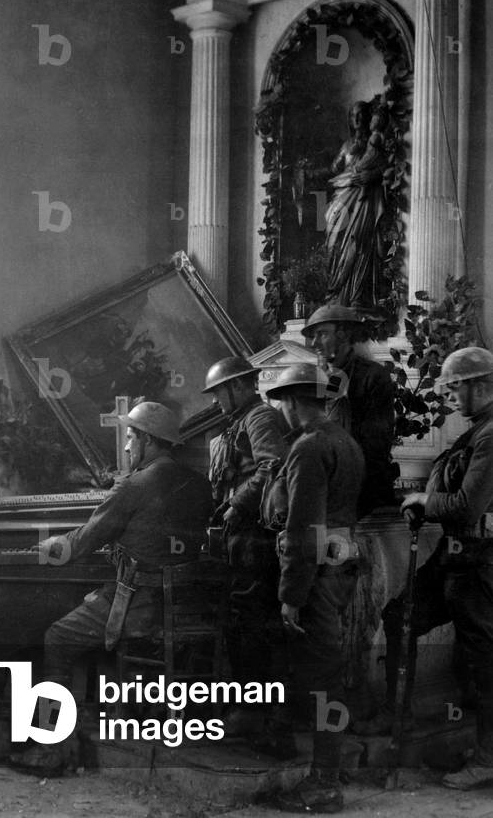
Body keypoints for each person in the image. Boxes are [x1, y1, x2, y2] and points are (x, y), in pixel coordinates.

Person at [14, 401, 212, 776]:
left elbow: (81, 543)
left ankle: (52, 747)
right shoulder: (198, 485)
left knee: (57, 637)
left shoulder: (136, 485)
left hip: (140, 606)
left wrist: (49, 545)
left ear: (149, 441)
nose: (125, 447)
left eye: (131, 437)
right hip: (186, 607)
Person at [356, 347, 493, 790]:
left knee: (484, 661)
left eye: (456, 387)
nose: (450, 395)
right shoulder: (475, 432)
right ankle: (400, 719)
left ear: (482, 385)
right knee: (399, 617)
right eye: (448, 387)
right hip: (455, 559)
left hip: (479, 563)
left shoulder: (491, 435)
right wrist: (428, 503)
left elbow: (468, 506)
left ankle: (489, 758)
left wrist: (425, 502)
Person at [261, 363, 364, 814]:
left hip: (318, 575)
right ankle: (332, 765)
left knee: (322, 678)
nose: (282, 410)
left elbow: (304, 529)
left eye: (283, 402)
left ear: (293, 402)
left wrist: (290, 595)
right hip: (342, 571)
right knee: (331, 671)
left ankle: (324, 782)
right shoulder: (345, 441)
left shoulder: (308, 448)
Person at [201, 355, 289, 737]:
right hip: (239, 540)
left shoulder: (259, 418)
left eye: (220, 392)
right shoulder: (237, 422)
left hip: (255, 538)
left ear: (239, 386)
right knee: (240, 622)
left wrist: (238, 504)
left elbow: (273, 466)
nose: (218, 400)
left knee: (252, 623)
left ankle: (258, 715)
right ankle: (248, 711)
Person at [302, 303, 396, 516]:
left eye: (322, 334)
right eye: (313, 336)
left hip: (363, 489)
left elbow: (376, 444)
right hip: (326, 484)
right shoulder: (319, 378)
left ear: (343, 335)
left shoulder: (373, 376)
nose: (314, 343)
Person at [324, 100, 388, 308]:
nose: (358, 119)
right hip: (342, 196)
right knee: (335, 242)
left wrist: (370, 175)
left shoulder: (375, 141)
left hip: (364, 200)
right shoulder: (346, 146)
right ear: (350, 120)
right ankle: (335, 291)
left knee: (359, 241)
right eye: (353, 116)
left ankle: (356, 295)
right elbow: (334, 169)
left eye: (361, 114)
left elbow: (385, 167)